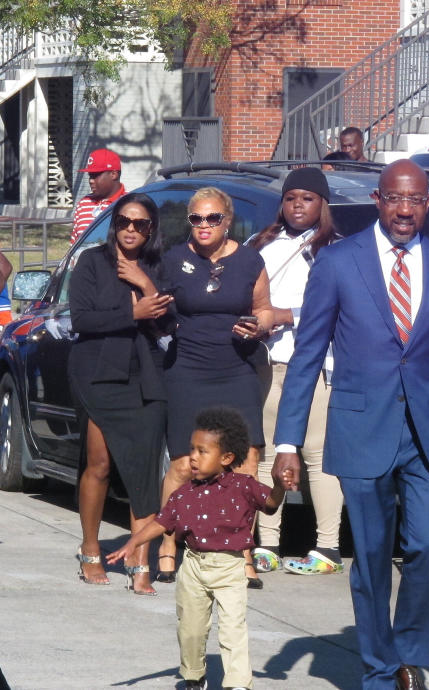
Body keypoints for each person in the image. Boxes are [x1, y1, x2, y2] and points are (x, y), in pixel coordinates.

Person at [271, 159, 429, 690]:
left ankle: (410, 653)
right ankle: (380, 671)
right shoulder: (339, 262)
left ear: (427, 204)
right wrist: (287, 441)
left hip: (427, 434)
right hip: (362, 428)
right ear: (378, 199)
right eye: (395, 199)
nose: (405, 209)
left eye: (415, 200)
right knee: (368, 556)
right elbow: (307, 354)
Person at [106, 407, 290, 690]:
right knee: (190, 630)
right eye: (192, 449)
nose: (193, 456)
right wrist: (134, 541)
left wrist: (279, 486)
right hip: (192, 566)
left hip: (230, 567)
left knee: (233, 629)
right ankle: (194, 676)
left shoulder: (244, 486)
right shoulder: (183, 494)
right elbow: (161, 522)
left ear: (226, 458)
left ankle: (237, 683)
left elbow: (271, 504)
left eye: (203, 451)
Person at [157, 187, 275, 587]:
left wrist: (258, 325)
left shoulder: (249, 261)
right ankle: (168, 547)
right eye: (196, 219)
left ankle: (242, 553)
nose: (204, 226)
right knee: (183, 463)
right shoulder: (174, 260)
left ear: (228, 221)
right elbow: (159, 309)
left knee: (245, 464)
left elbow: (264, 309)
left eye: (213, 219)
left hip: (237, 368)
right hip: (187, 368)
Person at [69, 193, 173, 594]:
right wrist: (132, 313)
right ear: (115, 224)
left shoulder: (160, 267)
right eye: (125, 221)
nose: (131, 229)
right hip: (97, 371)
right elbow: (82, 319)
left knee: (143, 471)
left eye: (140, 224)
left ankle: (138, 557)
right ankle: (91, 546)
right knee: (99, 463)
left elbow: (170, 321)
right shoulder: (92, 262)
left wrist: (145, 284)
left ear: (151, 229)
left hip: (146, 375)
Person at [247, 167, 345, 575]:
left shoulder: (337, 250)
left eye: (307, 198)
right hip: (269, 362)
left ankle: (328, 548)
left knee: (317, 454)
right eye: (290, 198)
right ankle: (268, 542)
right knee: (270, 451)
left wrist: (283, 315)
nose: (298, 205)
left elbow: (341, 310)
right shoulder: (260, 245)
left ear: (322, 204)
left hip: (317, 364)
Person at [70, 148, 125, 245]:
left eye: (95, 175)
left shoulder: (130, 203)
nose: (91, 180)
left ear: (113, 174)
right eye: (90, 176)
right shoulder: (84, 203)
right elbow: (74, 245)